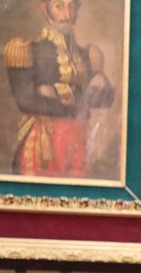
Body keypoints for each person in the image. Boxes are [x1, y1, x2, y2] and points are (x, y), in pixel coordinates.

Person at [4, 0, 114, 177]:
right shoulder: (27, 50)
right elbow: (26, 101)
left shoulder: (88, 55)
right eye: (59, 6)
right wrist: (81, 99)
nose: (67, 14)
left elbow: (106, 99)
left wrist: (55, 93)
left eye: (72, 6)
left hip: (80, 143)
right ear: (44, 8)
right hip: (45, 143)